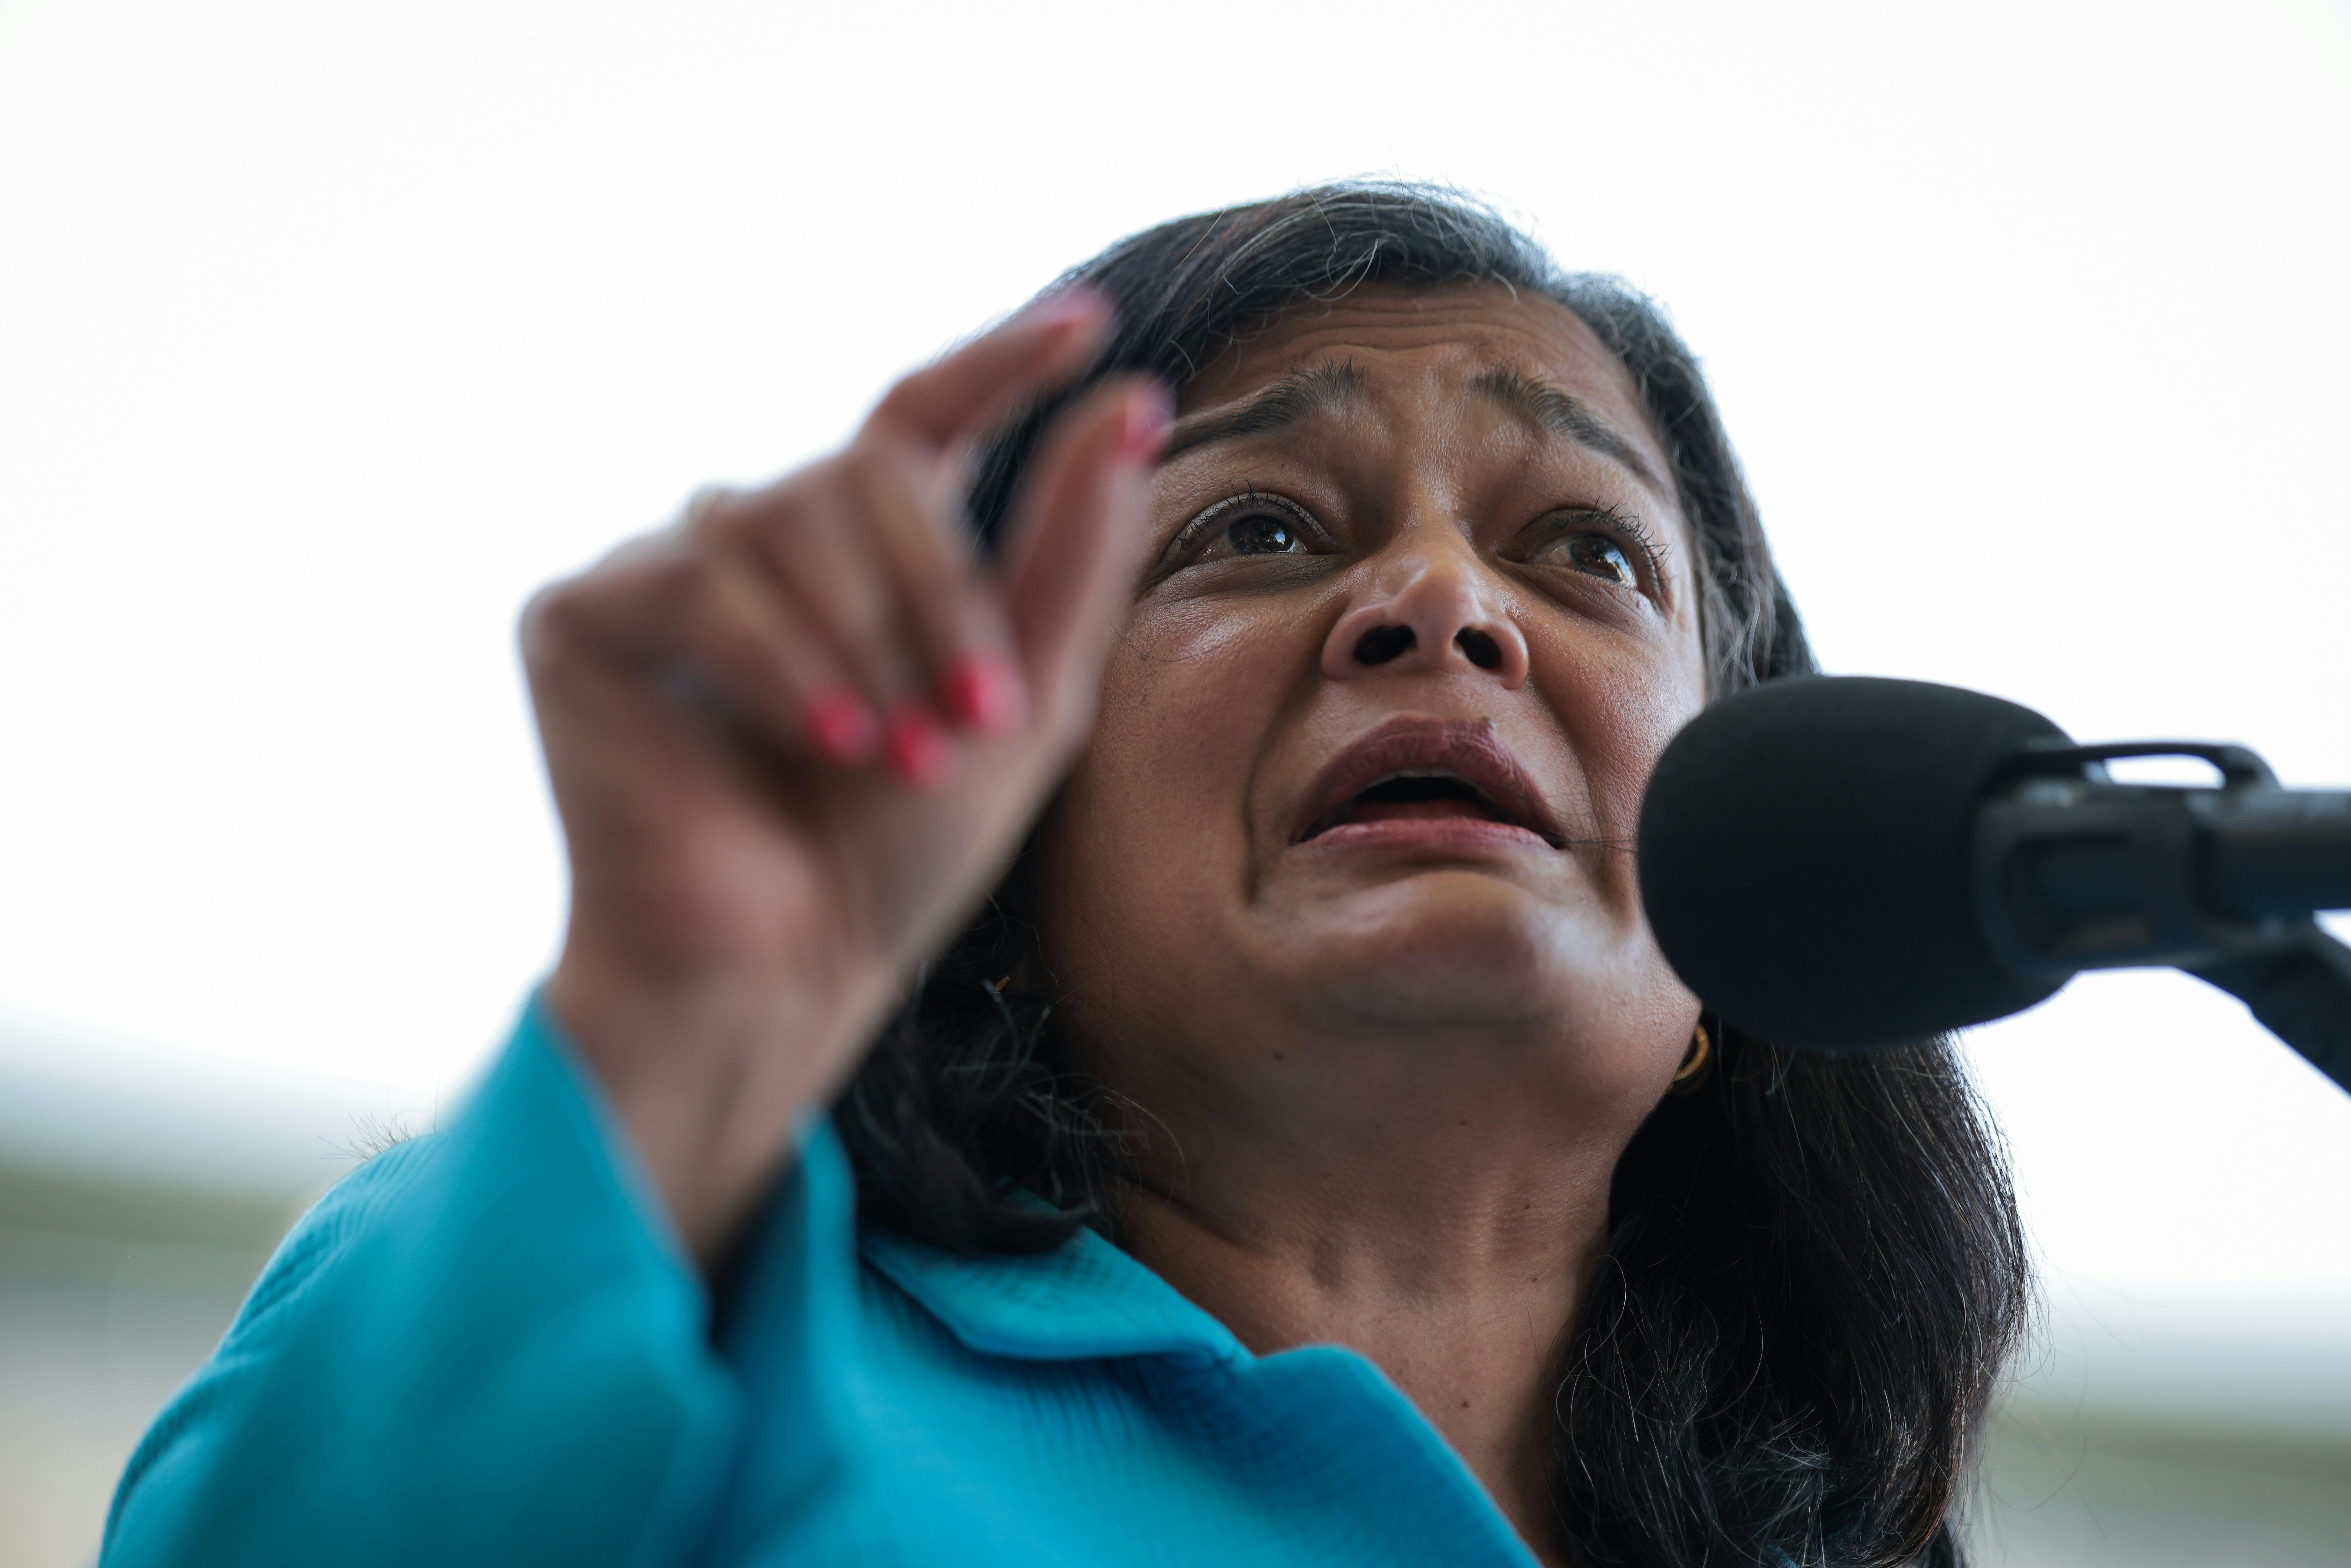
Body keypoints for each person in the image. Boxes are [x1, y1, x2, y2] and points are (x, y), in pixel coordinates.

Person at [100, 183, 2026, 1568]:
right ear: (1008, 822)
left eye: (1588, 555)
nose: (1443, 600)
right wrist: (677, 1025)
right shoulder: (652, 1301)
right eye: (1259, 527)